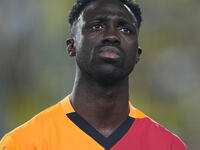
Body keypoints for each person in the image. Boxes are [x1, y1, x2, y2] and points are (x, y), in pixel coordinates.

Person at [0, 0, 187, 149]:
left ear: (137, 54)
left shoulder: (167, 145)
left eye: (125, 29)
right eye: (97, 26)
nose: (112, 36)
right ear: (71, 46)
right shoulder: (25, 143)